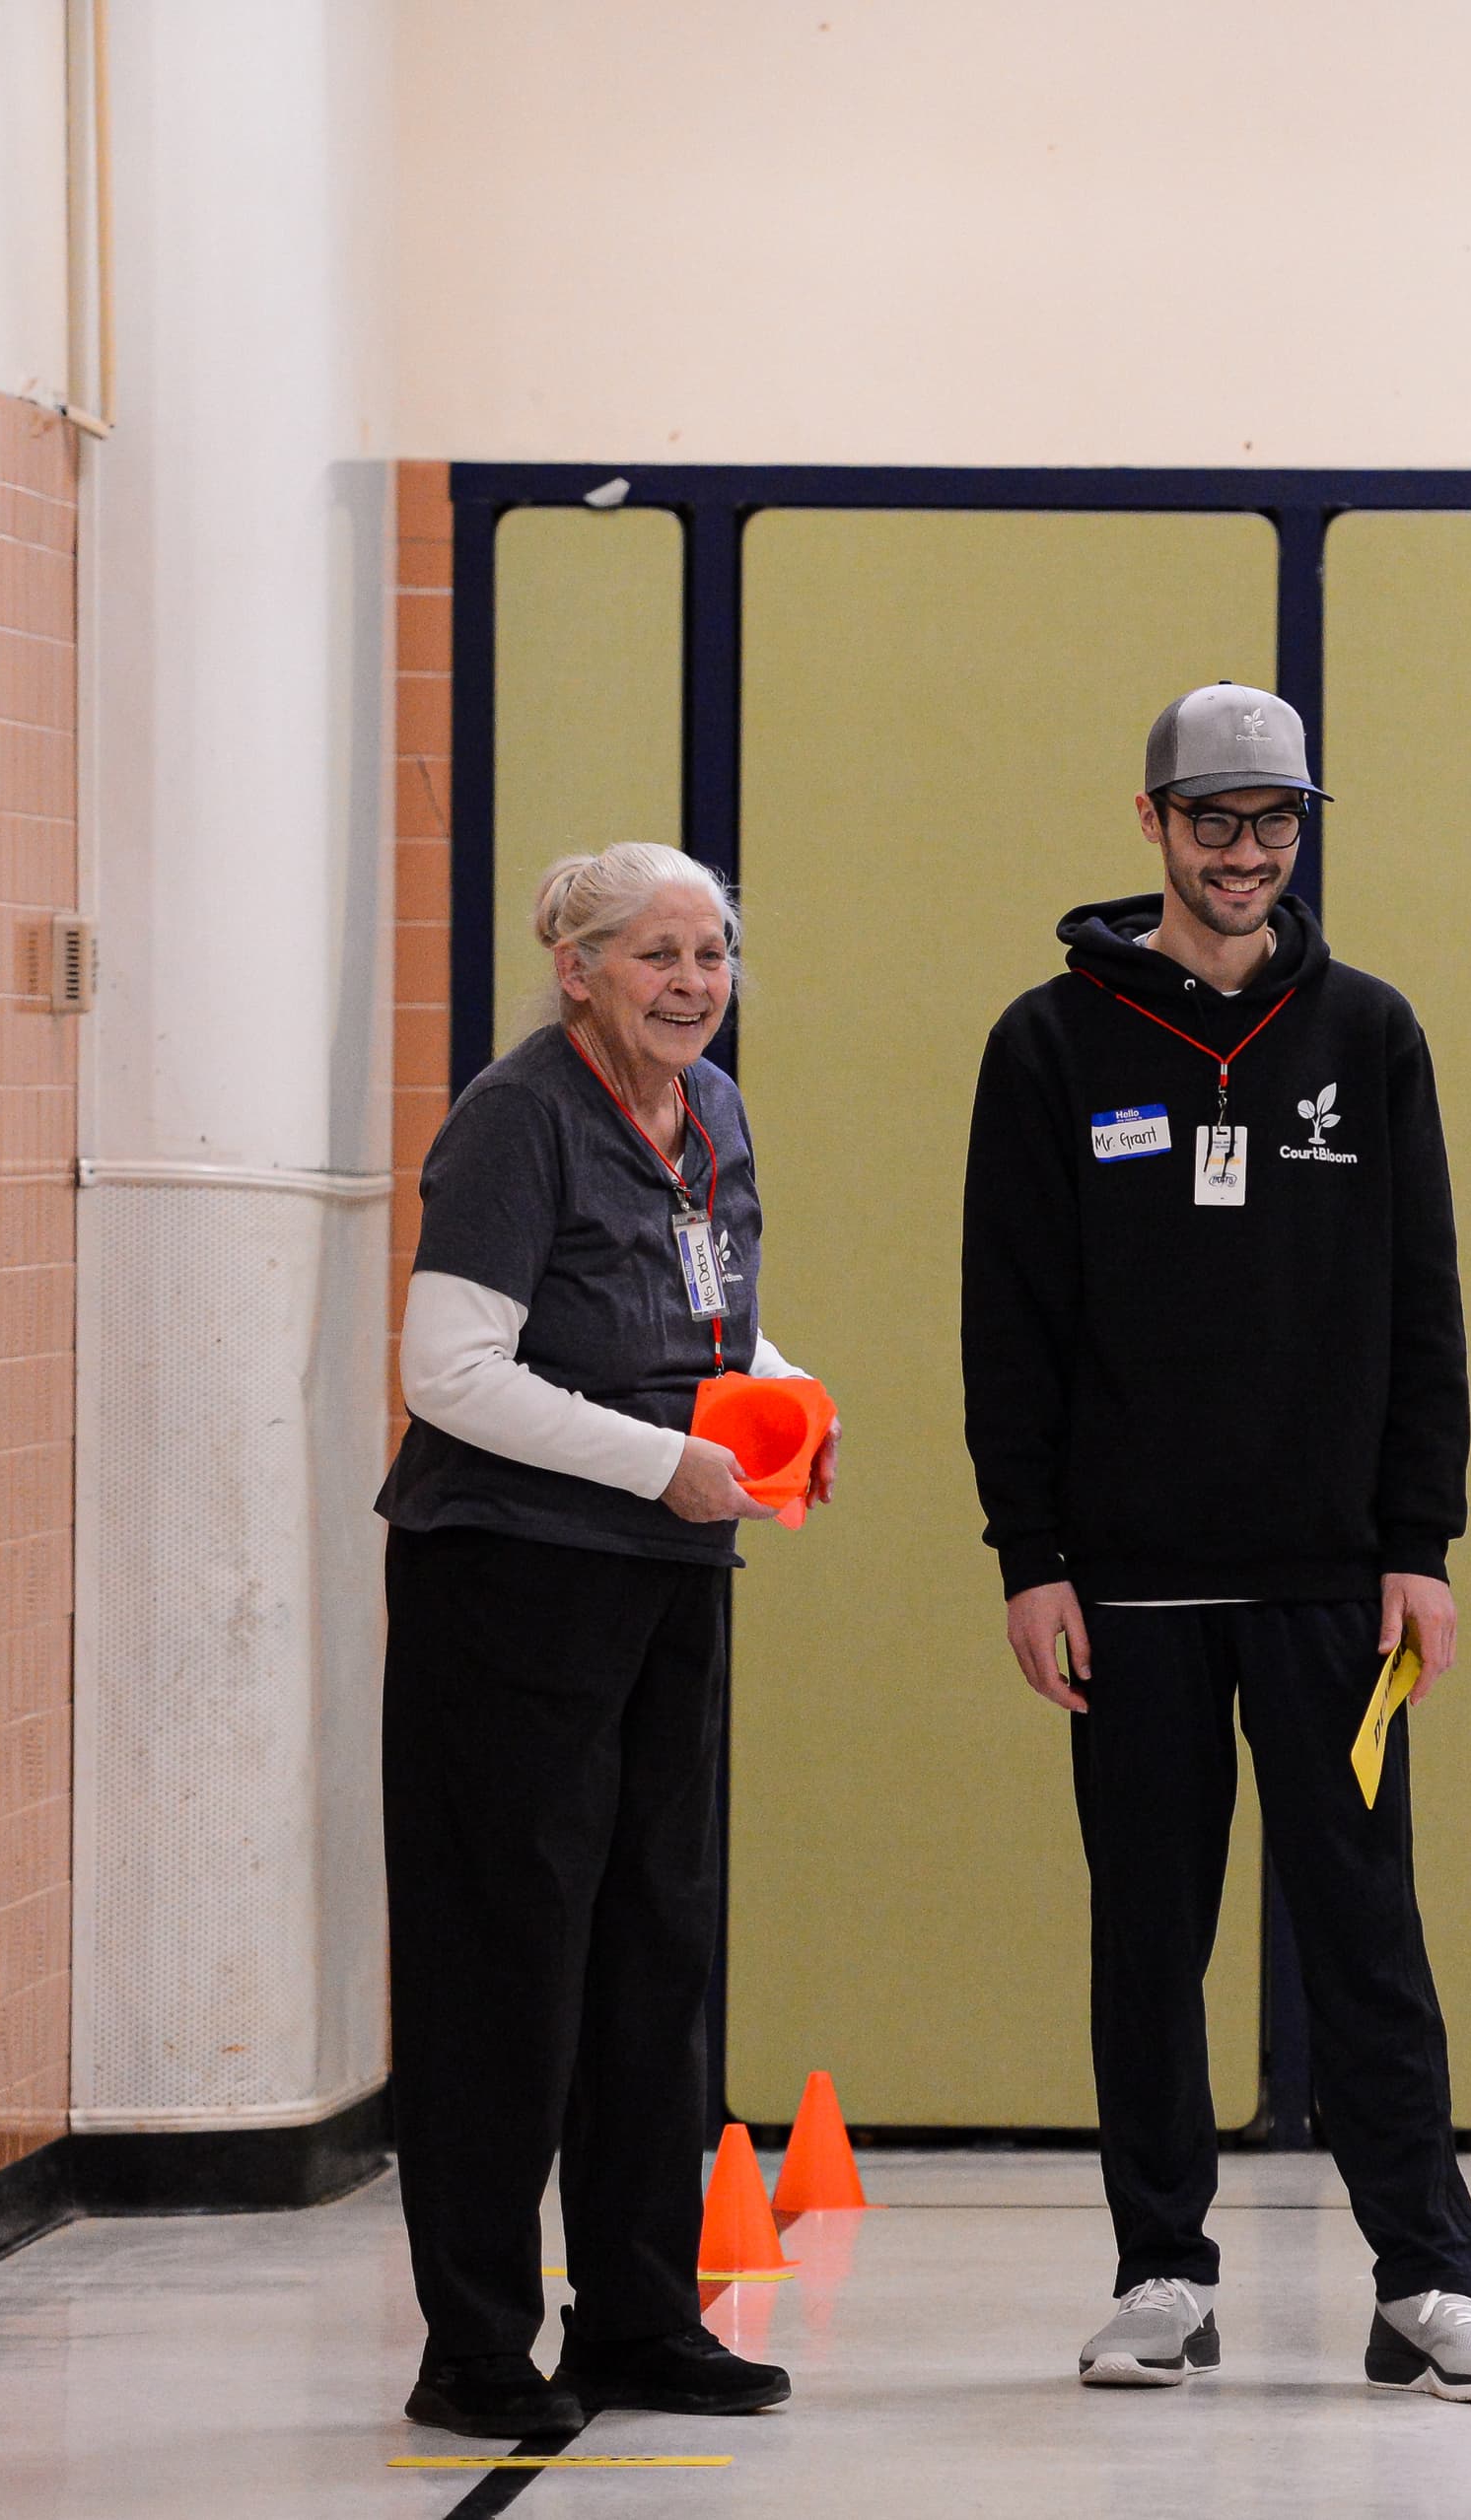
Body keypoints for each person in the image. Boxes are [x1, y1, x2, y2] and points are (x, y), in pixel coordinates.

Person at [958, 682, 1471, 2404]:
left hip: (1330, 1585)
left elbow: (1426, 1303)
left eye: (1274, 821)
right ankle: (1160, 2272)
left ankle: (1426, 2281)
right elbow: (1010, 1319)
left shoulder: (1368, 1032)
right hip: (1128, 1588)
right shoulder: (1049, 1043)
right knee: (1149, 1939)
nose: (1244, 854)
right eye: (1213, 821)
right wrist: (1029, 1554)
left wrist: (1420, 1541)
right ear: (1152, 823)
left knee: (1368, 1935)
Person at [374, 844, 835, 2437]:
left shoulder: (712, 1111)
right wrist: (661, 1460)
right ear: (576, 971)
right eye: (657, 954)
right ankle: (475, 2349)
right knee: (509, 1966)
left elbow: (708, 1317)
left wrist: (784, 1396)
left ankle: (639, 2318)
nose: (693, 983)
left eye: (712, 953)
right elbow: (449, 1371)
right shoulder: (519, 1117)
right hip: (512, 1581)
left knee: (654, 1952)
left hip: (666, 1573)